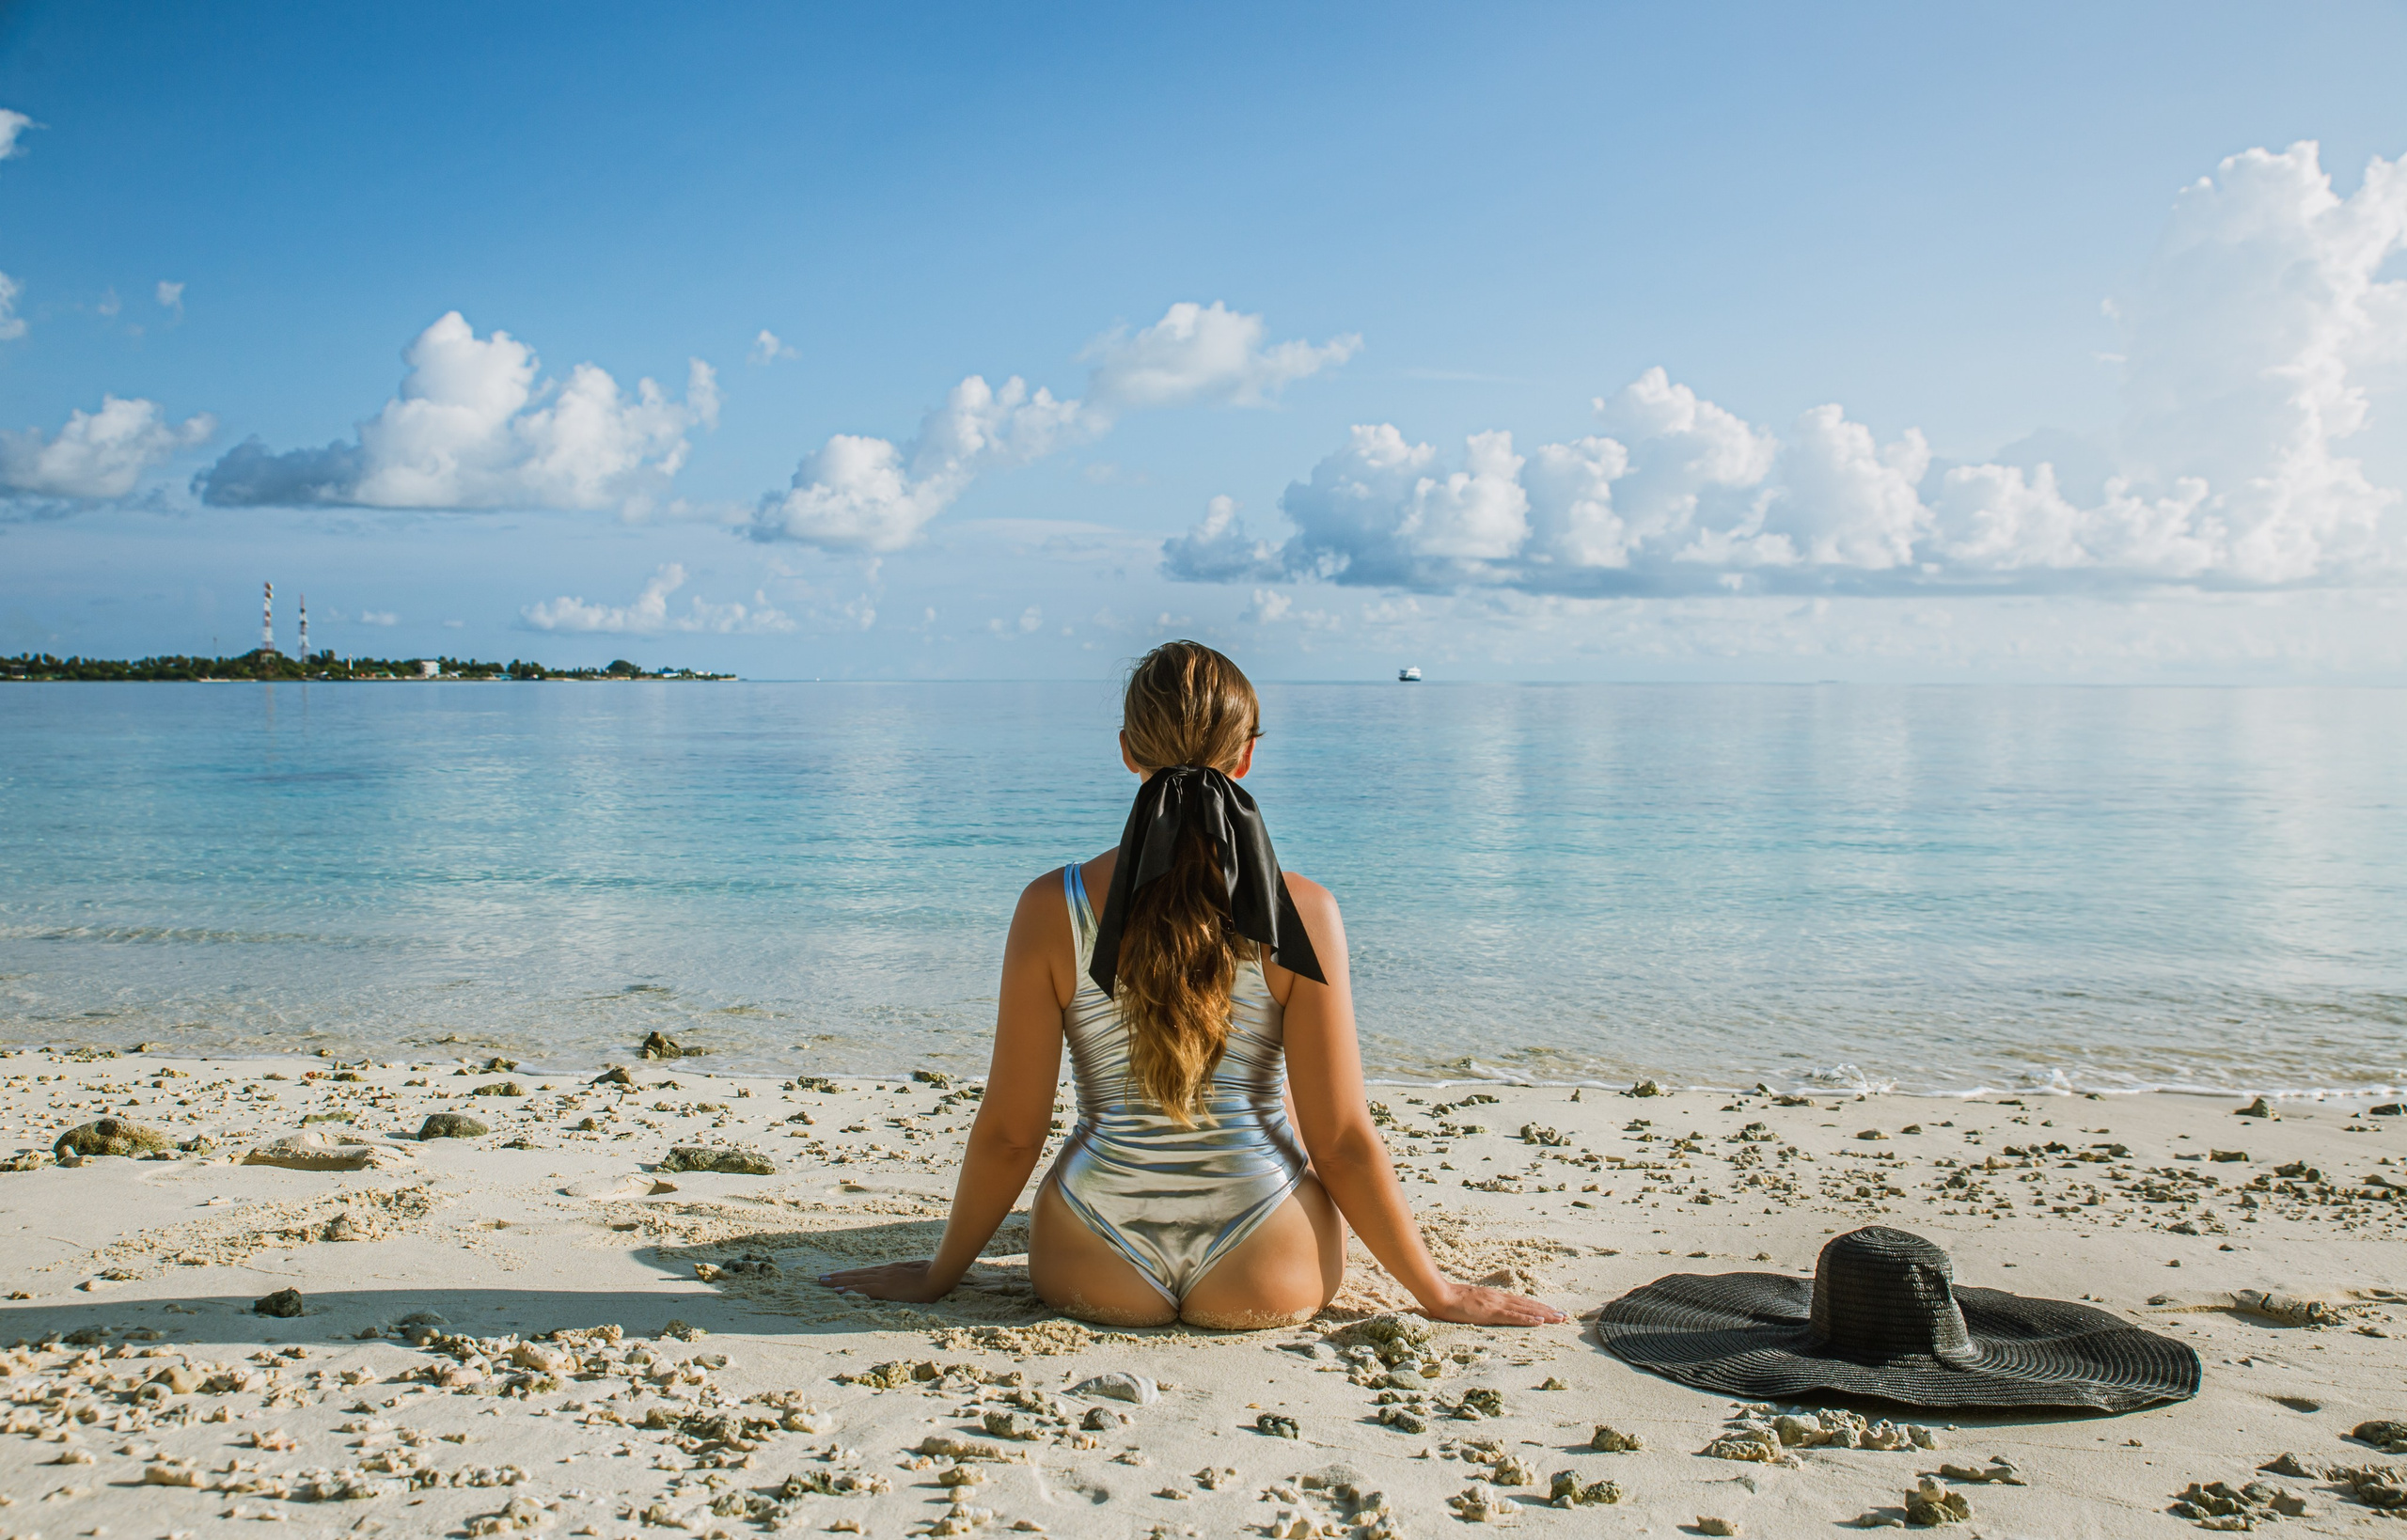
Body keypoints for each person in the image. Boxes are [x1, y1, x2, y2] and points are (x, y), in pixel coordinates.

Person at [817, 642, 1564, 1331]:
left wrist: (939, 1275)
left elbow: (1013, 1132)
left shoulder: (1054, 906)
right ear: (1244, 759)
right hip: (1266, 1252)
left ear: (1125, 752)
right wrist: (1437, 1291)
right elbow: (1338, 1140)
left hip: (1092, 1250)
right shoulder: (1302, 912)